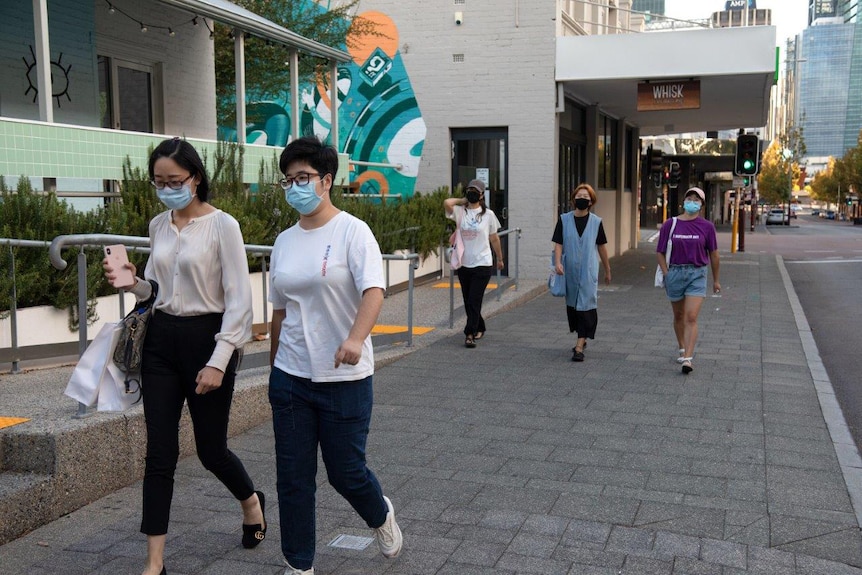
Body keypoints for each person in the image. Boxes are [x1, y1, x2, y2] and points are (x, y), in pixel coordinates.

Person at [102, 138, 264, 575]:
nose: (167, 188)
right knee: (160, 453)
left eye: (174, 180)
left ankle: (252, 503)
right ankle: (154, 563)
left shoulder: (223, 226)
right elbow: (155, 290)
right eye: (159, 181)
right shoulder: (159, 225)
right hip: (160, 340)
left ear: (195, 178)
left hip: (207, 339)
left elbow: (239, 299)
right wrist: (133, 282)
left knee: (211, 450)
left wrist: (219, 358)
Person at [268, 136, 403, 575]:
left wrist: (355, 338)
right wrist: (274, 367)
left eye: (303, 178)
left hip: (345, 378)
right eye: (288, 181)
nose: (294, 188)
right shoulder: (284, 240)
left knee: (345, 473)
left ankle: (380, 515)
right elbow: (281, 310)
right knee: (293, 480)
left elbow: (374, 291)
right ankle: (299, 565)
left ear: (326, 180)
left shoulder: (352, 231)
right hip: (291, 378)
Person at [655, 186, 721, 374]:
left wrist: (716, 280)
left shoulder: (707, 227)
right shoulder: (671, 224)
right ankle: (682, 347)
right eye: (689, 198)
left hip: (697, 274)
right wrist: (667, 274)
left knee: (691, 316)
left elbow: (714, 255)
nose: (692, 201)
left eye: (696, 199)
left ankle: (688, 359)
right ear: (684, 202)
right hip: (675, 272)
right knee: (679, 316)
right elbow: (659, 252)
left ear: (701, 204)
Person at [551, 183, 611, 362]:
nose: (582, 199)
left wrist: (607, 269)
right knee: (573, 307)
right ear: (573, 199)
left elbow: (601, 247)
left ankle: (579, 346)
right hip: (569, 270)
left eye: (586, 197)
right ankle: (581, 337)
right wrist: (557, 263)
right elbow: (558, 243)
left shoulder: (596, 222)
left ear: (591, 201)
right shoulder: (564, 219)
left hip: (588, 270)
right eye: (579, 196)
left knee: (586, 306)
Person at [443, 179, 504, 348]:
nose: (472, 192)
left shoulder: (488, 215)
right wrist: (461, 200)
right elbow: (446, 203)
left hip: (483, 263)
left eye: (475, 191)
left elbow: (494, 238)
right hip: (464, 263)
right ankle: (480, 326)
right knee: (469, 300)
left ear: (482, 195)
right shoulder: (459, 211)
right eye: (470, 189)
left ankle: (469, 333)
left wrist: (500, 258)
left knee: (474, 299)